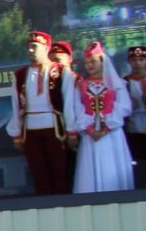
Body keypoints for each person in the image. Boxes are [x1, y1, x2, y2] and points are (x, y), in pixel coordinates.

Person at [7, 31, 76, 196]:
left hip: (55, 127)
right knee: (38, 173)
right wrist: (16, 133)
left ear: (46, 48)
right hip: (30, 129)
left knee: (59, 171)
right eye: (29, 47)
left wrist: (72, 131)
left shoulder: (61, 71)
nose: (30, 50)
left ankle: (64, 205)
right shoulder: (20, 74)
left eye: (34, 47)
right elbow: (16, 104)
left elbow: (69, 102)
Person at [68, 42, 133, 194]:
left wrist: (107, 127)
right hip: (91, 135)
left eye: (93, 61)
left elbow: (124, 106)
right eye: (87, 62)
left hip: (112, 134)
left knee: (112, 168)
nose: (89, 65)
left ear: (102, 61)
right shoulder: (81, 85)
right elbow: (78, 108)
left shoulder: (116, 83)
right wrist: (90, 128)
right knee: (90, 172)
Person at [126, 45, 146, 189]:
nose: (138, 63)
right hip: (134, 130)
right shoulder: (124, 82)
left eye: (141, 59)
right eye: (134, 60)